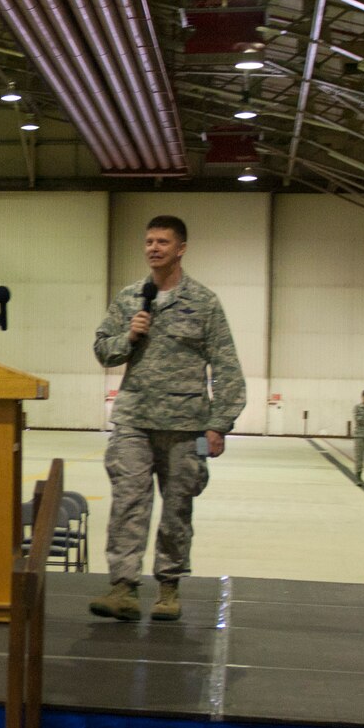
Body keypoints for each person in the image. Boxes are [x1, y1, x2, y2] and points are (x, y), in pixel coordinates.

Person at [89, 215, 245, 624]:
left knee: (177, 509)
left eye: (162, 242)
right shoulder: (128, 299)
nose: (153, 248)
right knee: (128, 503)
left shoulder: (204, 303)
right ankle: (123, 587)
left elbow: (227, 367)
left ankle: (169, 587)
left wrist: (218, 424)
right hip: (133, 421)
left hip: (185, 426)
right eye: (148, 241)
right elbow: (104, 349)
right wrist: (130, 336)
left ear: (181, 249)